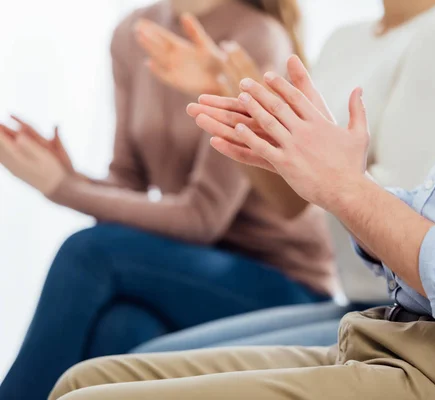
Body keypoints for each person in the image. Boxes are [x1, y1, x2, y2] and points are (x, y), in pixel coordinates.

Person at [50, 0, 435, 398]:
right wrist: (293, 154)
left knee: (92, 271)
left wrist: (342, 184)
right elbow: (320, 198)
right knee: (97, 367)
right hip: (399, 319)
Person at [0, 1, 336, 399]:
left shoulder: (256, 38)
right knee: (122, 330)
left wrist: (65, 189)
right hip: (178, 270)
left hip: (278, 283)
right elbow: (128, 182)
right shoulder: (132, 32)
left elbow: (203, 215)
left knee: (87, 253)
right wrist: (67, 176)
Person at [133, 0, 435, 353]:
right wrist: (238, 105)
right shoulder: (344, 40)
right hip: (357, 303)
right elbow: (292, 202)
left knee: (144, 363)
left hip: (409, 318)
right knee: (130, 339)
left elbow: (401, 208)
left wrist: (327, 171)